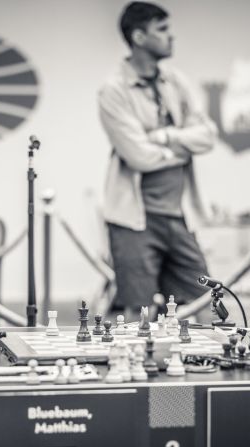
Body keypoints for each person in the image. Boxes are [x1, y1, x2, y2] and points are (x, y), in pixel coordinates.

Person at [98, 1, 216, 318]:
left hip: (178, 217)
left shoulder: (175, 82)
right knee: (139, 317)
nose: (171, 36)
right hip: (134, 222)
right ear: (139, 37)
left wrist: (164, 136)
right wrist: (183, 146)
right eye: (162, 30)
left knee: (204, 306)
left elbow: (208, 135)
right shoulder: (113, 90)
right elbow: (139, 156)